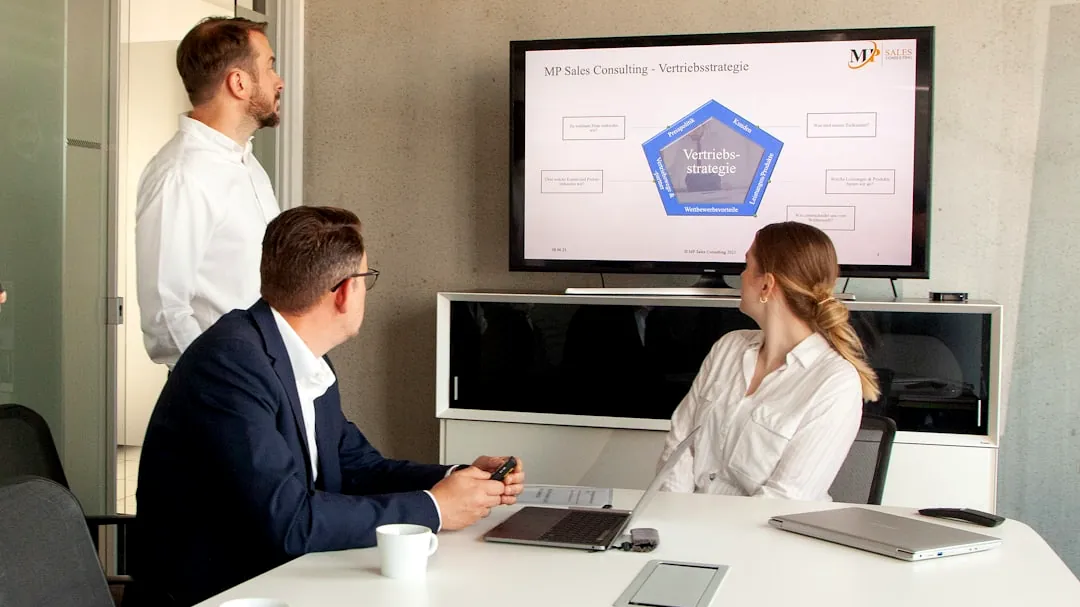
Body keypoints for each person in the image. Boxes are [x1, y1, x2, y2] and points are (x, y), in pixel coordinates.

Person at [133, 206, 524, 605]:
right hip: (220, 593)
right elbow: (289, 521)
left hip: (286, 578)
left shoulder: (303, 356)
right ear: (342, 292)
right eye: (366, 279)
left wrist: (459, 478)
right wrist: (436, 507)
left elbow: (359, 467)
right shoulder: (230, 366)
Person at [657, 222, 879, 501]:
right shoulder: (729, 347)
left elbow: (785, 499)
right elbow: (679, 446)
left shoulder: (835, 381)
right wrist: (675, 518)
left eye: (747, 265)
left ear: (767, 283)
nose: (740, 274)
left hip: (762, 539)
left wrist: (706, 531)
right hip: (686, 527)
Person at [136, 17, 284, 368]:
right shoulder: (180, 175)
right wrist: (226, 381)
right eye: (270, 67)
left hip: (265, 379)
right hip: (223, 393)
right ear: (239, 83)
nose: (279, 82)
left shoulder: (249, 166)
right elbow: (165, 317)